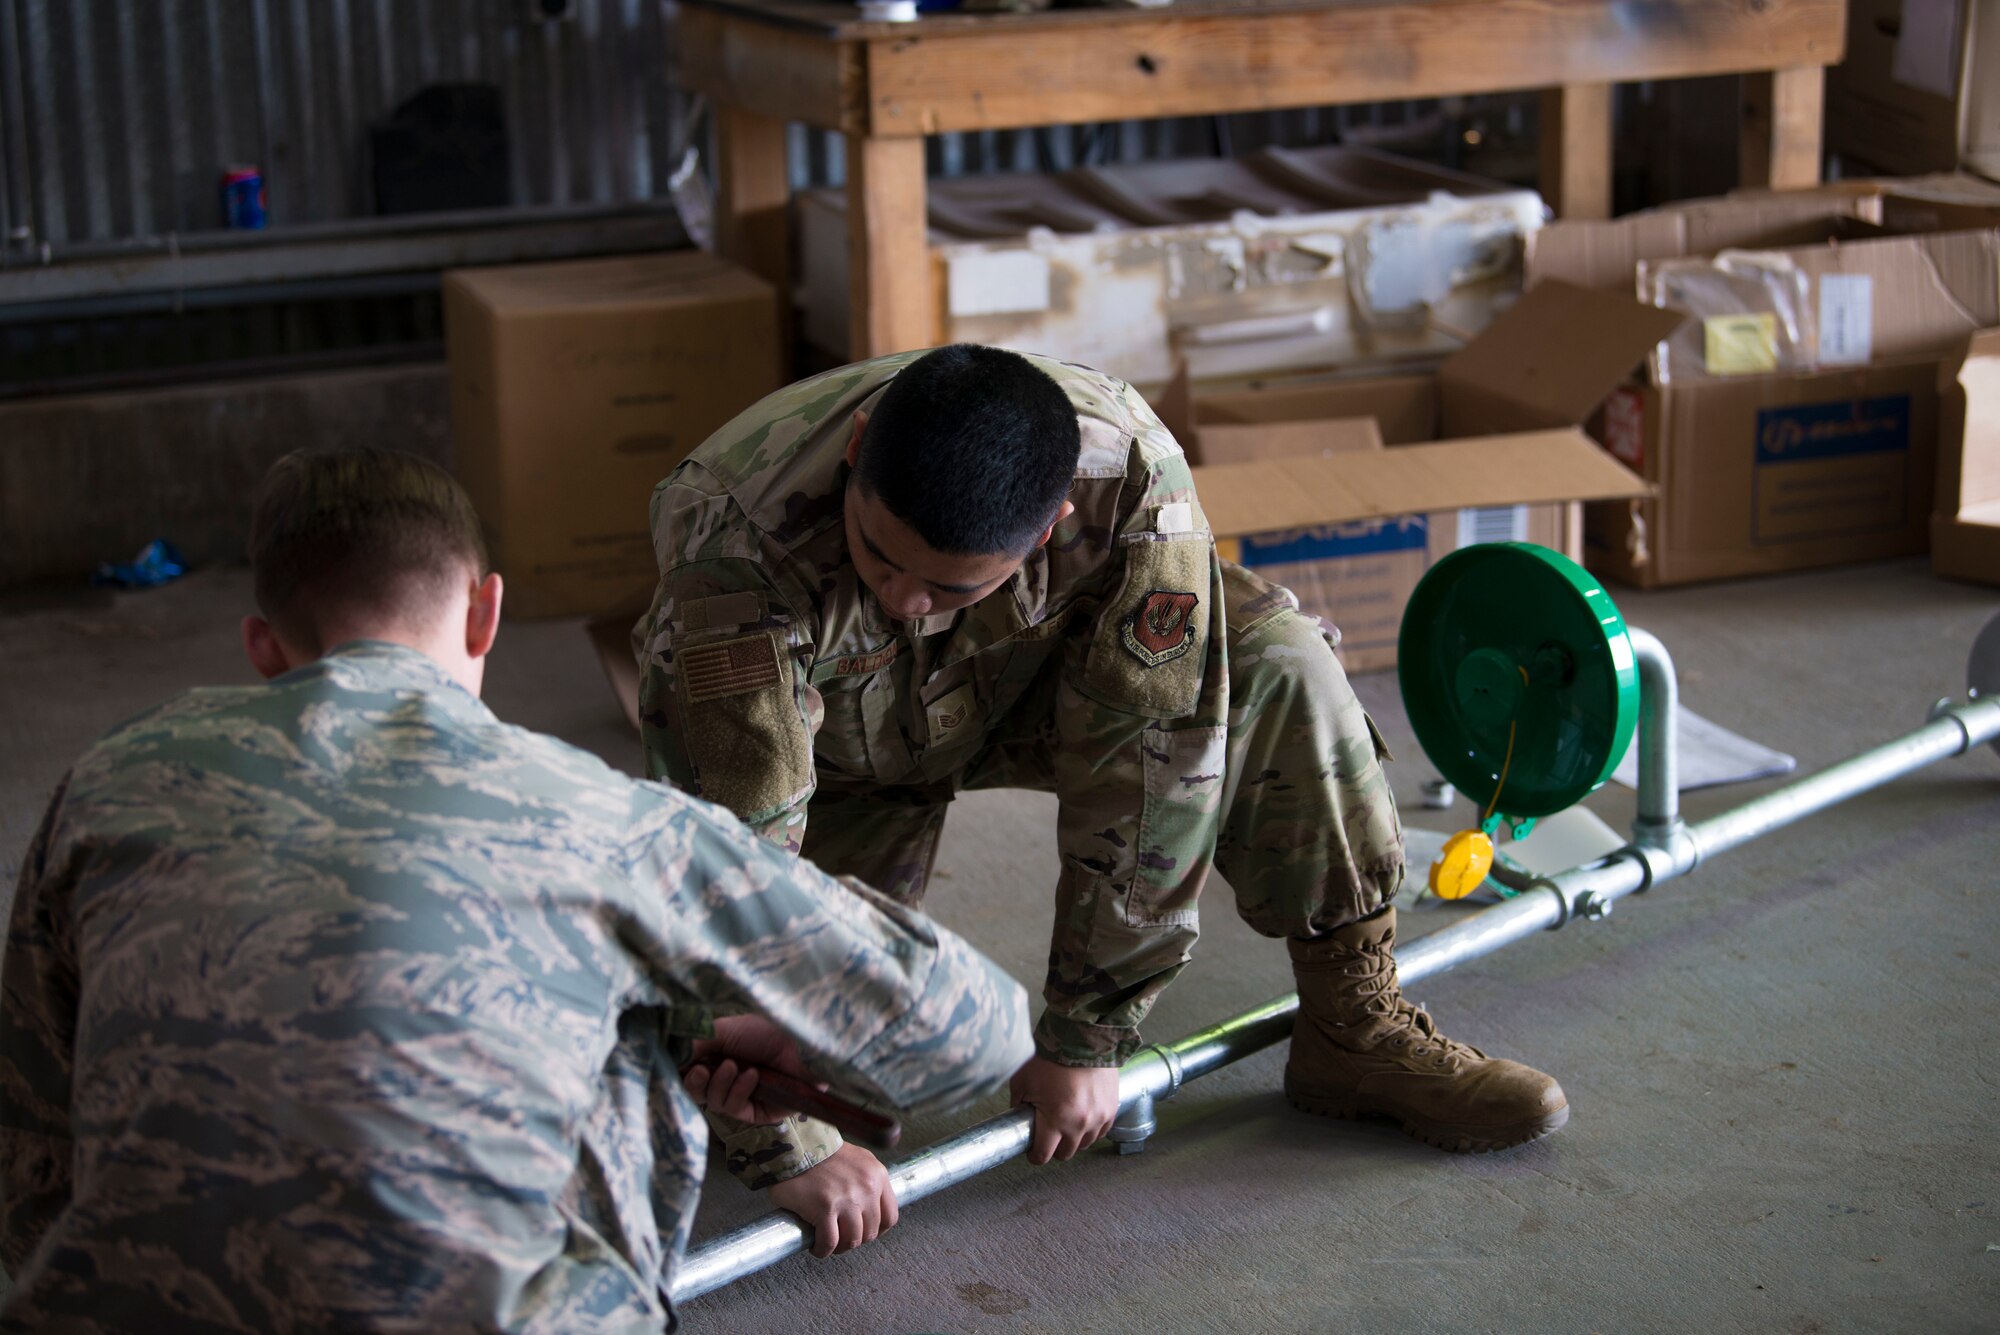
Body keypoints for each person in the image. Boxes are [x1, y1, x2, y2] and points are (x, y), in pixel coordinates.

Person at [0, 448, 1032, 1332]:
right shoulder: (587, 814)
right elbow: (963, 1030)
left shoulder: (110, 779)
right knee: (624, 1018)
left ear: (264, 650)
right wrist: (757, 1027)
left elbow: (34, 1122)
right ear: (488, 612)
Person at [634, 344, 1569, 1218]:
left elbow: (1158, 770)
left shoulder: (1130, 481)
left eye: (949, 588)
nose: (906, 602)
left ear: (1050, 527)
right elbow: (725, 861)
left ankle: (1354, 1029)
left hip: (1031, 683)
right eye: (879, 556)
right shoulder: (735, 551)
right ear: (855, 449)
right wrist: (780, 1142)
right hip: (836, 748)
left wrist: (1088, 1037)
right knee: (793, 1050)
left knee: (1279, 661)